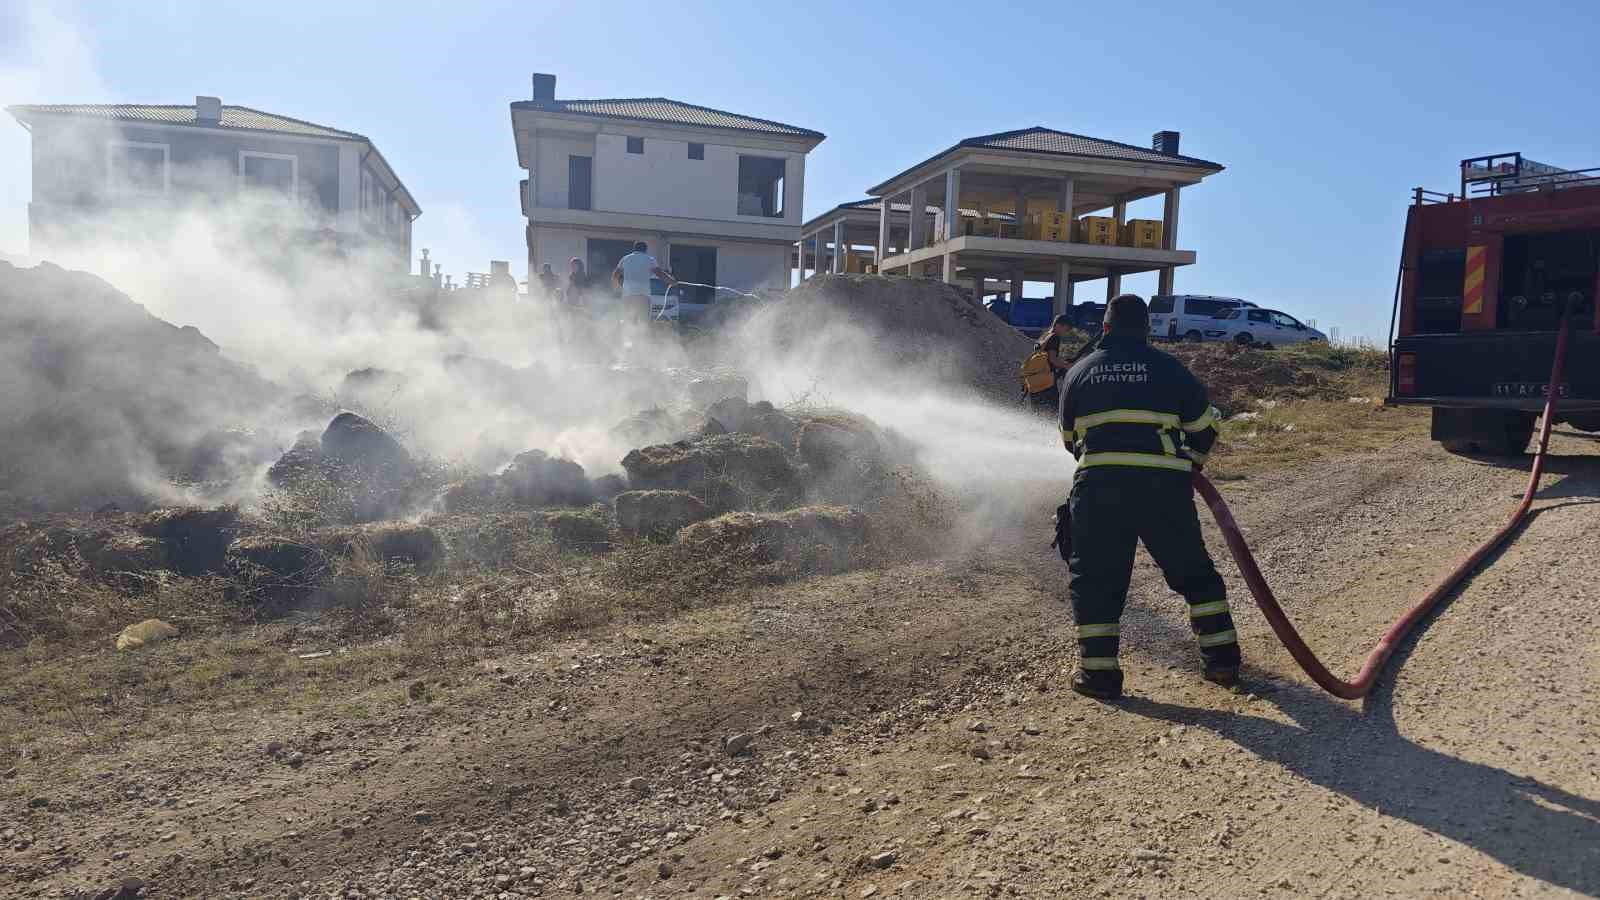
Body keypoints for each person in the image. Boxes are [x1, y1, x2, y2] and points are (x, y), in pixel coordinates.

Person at [1057, 293, 1239, 700]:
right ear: (1147, 330)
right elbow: (1205, 430)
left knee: (1097, 580)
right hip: (1163, 490)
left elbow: (1071, 441)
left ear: (1104, 328)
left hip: (1099, 490)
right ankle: (1223, 663)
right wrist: (1188, 463)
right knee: (1193, 573)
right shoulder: (1170, 369)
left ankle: (1099, 676)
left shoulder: (1080, 372)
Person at [612, 241, 675, 324]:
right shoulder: (650, 259)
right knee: (644, 321)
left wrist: (618, 289)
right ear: (646, 250)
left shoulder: (625, 259)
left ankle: (626, 335)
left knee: (627, 319)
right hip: (643, 295)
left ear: (634, 249)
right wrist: (672, 282)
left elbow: (615, 276)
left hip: (628, 295)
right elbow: (660, 274)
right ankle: (642, 335)